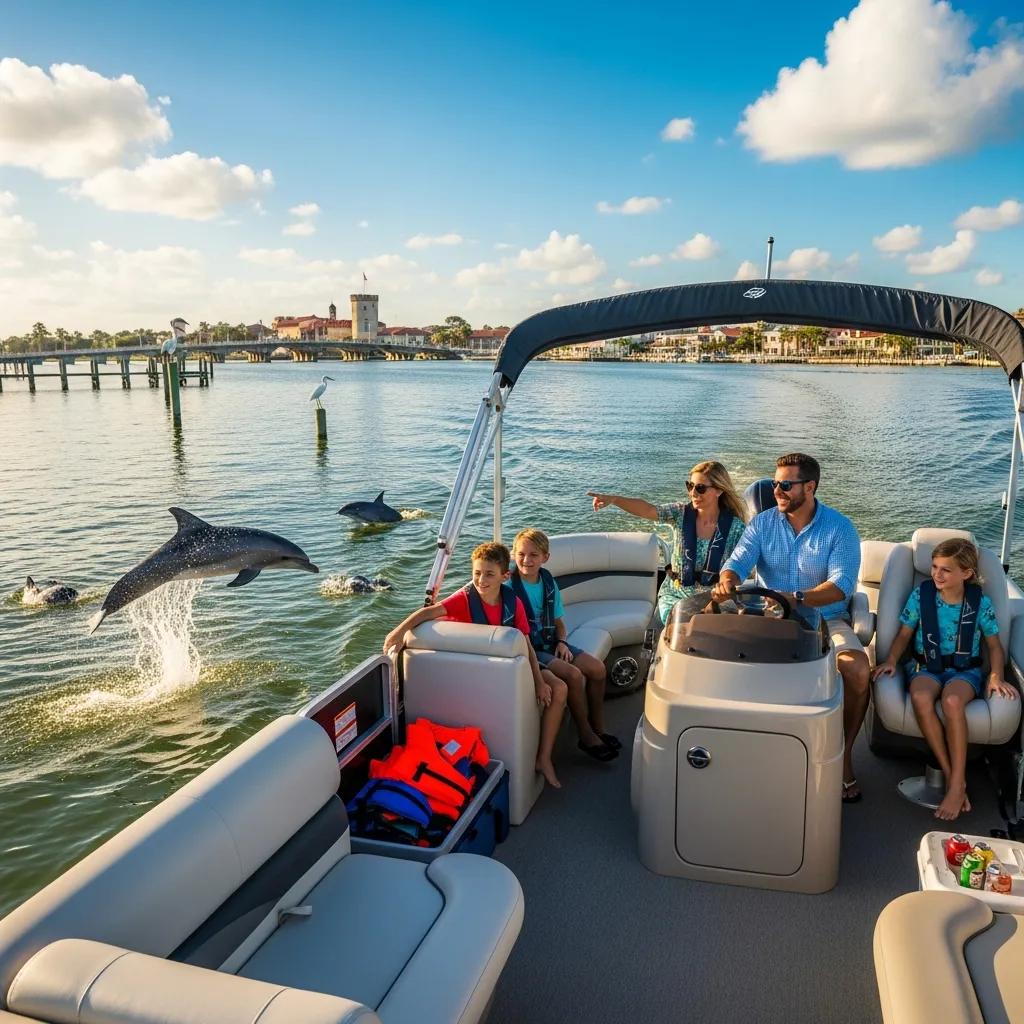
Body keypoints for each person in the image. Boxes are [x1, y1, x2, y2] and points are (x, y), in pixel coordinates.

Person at [710, 453, 869, 803]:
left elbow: (842, 585)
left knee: (857, 671)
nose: (776, 491)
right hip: (772, 620)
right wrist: (728, 578)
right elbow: (737, 562)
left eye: (785, 485)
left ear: (809, 487)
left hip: (827, 619)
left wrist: (796, 597)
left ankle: (842, 755)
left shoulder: (840, 528)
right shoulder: (762, 523)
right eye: (774, 484)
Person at [382, 541, 568, 788]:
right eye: (477, 573)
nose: (481, 580)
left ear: (505, 576)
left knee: (559, 688)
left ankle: (543, 758)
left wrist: (539, 681)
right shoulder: (463, 599)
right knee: (558, 686)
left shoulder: (514, 603)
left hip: (512, 670)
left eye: (489, 574)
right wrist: (397, 632)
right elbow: (427, 613)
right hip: (482, 676)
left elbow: (526, 646)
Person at [872, 538, 1015, 821]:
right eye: (935, 567)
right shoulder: (920, 596)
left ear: (967, 573)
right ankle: (955, 780)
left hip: (965, 672)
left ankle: (955, 780)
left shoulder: (980, 604)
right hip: (926, 667)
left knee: (952, 702)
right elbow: (903, 635)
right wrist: (890, 660)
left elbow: (995, 646)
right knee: (921, 696)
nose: (937, 574)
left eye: (946, 570)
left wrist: (996, 676)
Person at [587, 460, 748, 624]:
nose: (693, 493)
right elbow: (648, 510)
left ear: (719, 490)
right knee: (681, 625)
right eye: (690, 486)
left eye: (700, 488)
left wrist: (725, 587)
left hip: (714, 598)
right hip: (676, 595)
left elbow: (741, 565)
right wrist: (614, 500)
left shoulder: (736, 528)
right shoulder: (679, 513)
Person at [511, 527, 619, 762]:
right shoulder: (508, 587)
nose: (526, 560)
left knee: (598, 669)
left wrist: (562, 641)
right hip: (532, 648)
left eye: (533, 555)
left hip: (552, 642)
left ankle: (598, 726)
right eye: (521, 554)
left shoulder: (547, 581)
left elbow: (559, 621)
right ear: (513, 555)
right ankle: (585, 734)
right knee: (573, 674)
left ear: (545, 558)